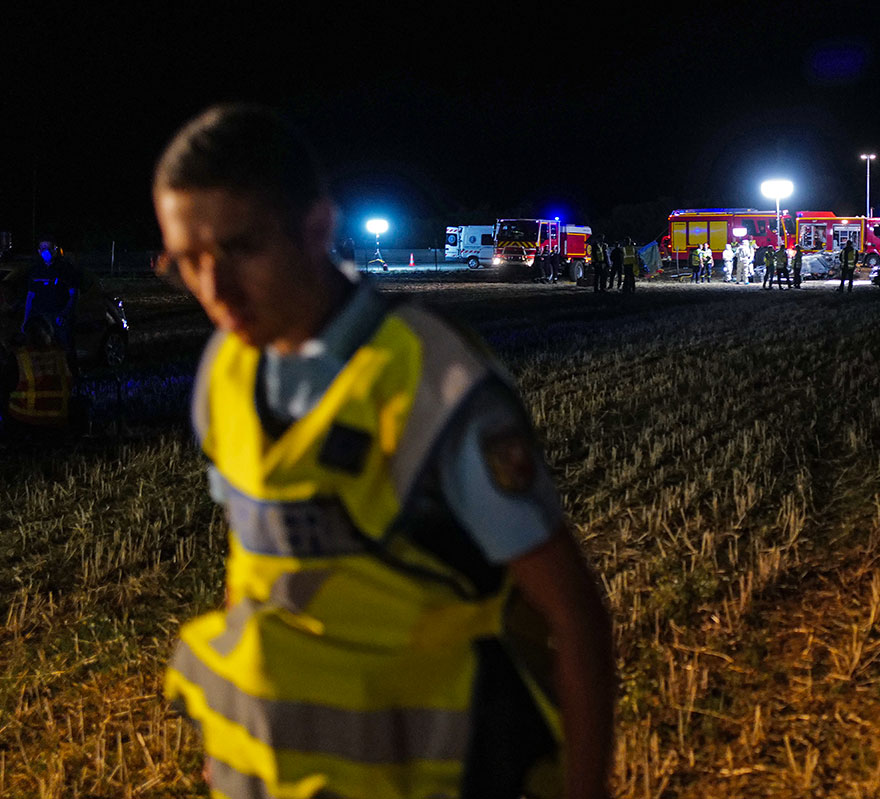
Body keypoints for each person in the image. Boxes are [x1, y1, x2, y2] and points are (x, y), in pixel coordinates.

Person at [153, 104, 614, 799]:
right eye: (187, 261)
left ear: (315, 229)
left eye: (242, 248)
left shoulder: (431, 379)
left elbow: (571, 612)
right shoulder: (225, 369)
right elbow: (254, 568)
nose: (214, 289)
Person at [24, 239, 80, 376]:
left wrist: (65, 314)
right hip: (41, 317)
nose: (46, 251)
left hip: (59, 317)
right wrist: (26, 319)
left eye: (48, 248)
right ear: (38, 251)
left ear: (55, 249)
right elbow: (30, 296)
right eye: (42, 248)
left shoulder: (65, 269)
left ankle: (73, 379)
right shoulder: (37, 270)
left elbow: (73, 294)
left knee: (65, 349)